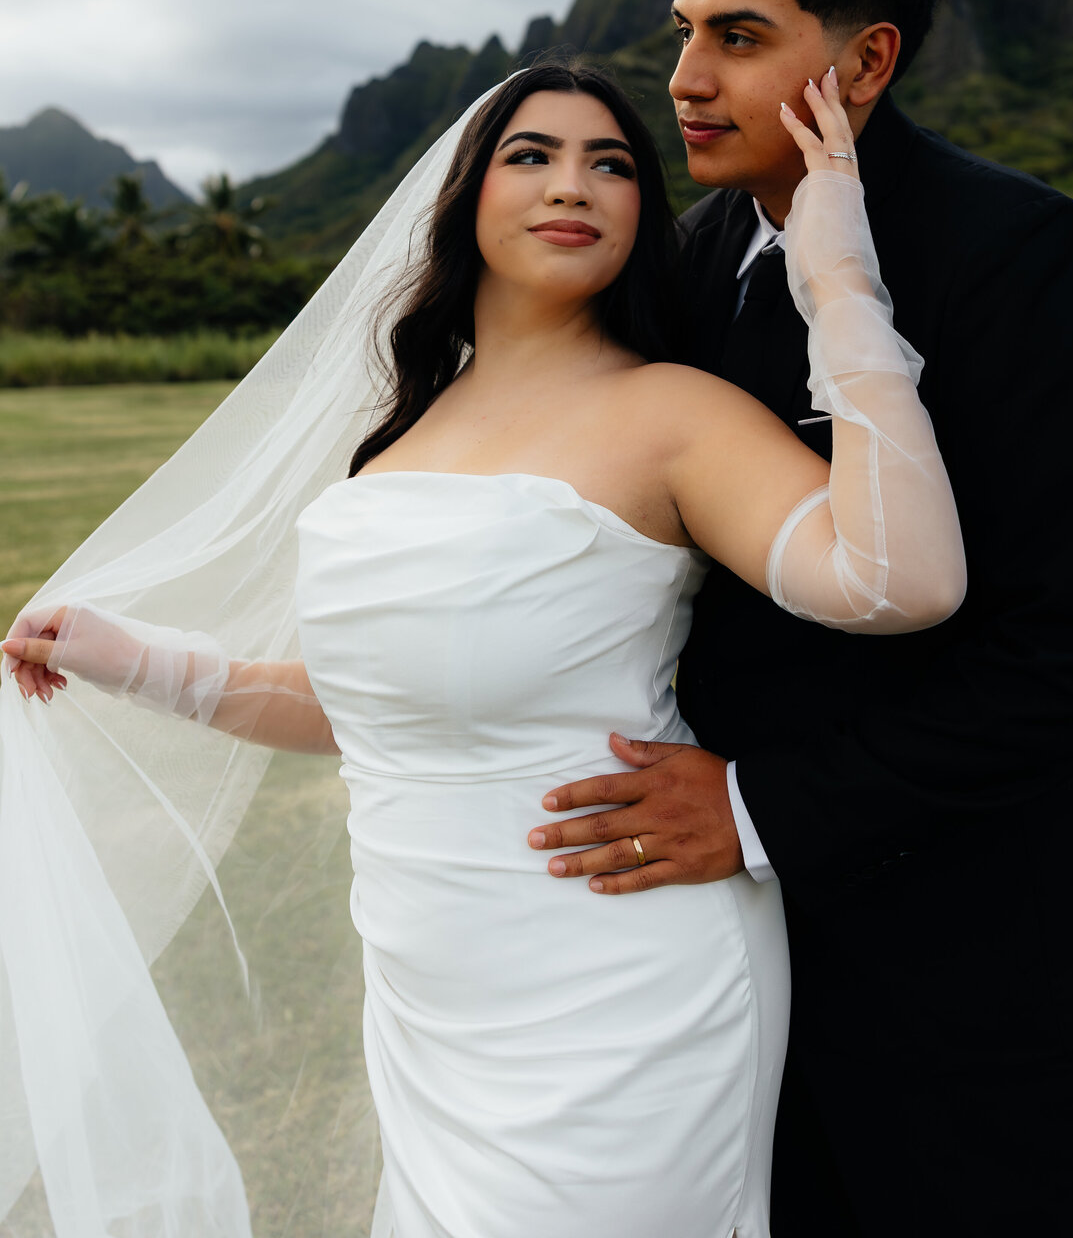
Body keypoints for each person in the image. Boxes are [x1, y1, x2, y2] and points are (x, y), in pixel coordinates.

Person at [2, 62, 966, 1238]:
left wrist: (841, 287)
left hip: (621, 979)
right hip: (430, 987)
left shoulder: (675, 414)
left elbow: (901, 580)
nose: (575, 185)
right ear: (464, 197)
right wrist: (137, 658)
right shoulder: (397, 437)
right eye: (533, 155)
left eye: (612, 164)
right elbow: (377, 709)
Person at [530, 0, 1073, 1238]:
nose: (689, 80)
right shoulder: (686, 268)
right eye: (683, 33)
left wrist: (762, 807)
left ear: (867, 57)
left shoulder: (1015, 252)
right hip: (741, 943)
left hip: (988, 940)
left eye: (739, 37)